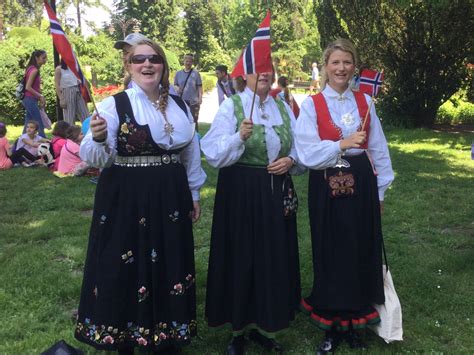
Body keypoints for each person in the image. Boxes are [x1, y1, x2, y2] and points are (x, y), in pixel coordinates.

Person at [75, 39, 206, 354]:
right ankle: (126, 338)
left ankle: (167, 334)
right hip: (127, 199)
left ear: (163, 65)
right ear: (128, 66)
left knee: (170, 260)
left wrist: (194, 192)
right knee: (125, 265)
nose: (147, 64)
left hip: (171, 197)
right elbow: (96, 158)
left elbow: (190, 152)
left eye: (154, 59)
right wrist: (98, 138)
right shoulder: (113, 105)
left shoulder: (180, 105)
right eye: (139, 59)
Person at [294, 38, 394, 354]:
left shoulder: (366, 102)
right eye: (335, 62)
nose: (341, 68)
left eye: (347, 62)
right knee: (331, 245)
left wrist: (380, 191)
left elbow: (378, 148)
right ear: (326, 66)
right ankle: (332, 322)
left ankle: (356, 319)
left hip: (362, 183)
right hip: (327, 182)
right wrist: (341, 144)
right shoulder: (311, 105)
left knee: (358, 245)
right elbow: (307, 151)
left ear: (354, 66)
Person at [201, 70, 304, 355]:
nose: (264, 74)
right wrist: (238, 137)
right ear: (243, 75)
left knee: (272, 254)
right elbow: (212, 152)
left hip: (276, 188)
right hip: (241, 192)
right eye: (257, 70)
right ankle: (238, 329)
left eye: (268, 69)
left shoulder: (281, 106)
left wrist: (290, 159)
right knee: (242, 253)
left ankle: (267, 324)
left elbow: (300, 143)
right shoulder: (231, 106)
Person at [21, 49, 48, 137]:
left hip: (29, 99)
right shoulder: (34, 70)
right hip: (30, 99)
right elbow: (28, 87)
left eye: (46, 58)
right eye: (43, 58)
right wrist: (40, 96)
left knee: (27, 124)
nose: (45, 60)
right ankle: (46, 144)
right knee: (39, 123)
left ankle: (20, 144)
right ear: (36, 58)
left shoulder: (30, 68)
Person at [54, 59, 89, 124]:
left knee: (85, 115)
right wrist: (61, 98)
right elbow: (57, 84)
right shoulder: (59, 69)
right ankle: (70, 133)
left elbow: (83, 79)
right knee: (69, 117)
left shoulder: (76, 67)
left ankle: (88, 131)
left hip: (78, 89)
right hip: (67, 91)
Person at [174, 54, 202, 131]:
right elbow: (175, 84)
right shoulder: (178, 73)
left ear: (192, 62)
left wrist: (200, 98)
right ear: (184, 61)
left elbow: (199, 86)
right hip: (182, 101)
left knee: (193, 121)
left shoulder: (196, 73)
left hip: (193, 102)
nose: (188, 63)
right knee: (182, 121)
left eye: (190, 61)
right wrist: (177, 88)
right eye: (187, 61)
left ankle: (196, 138)